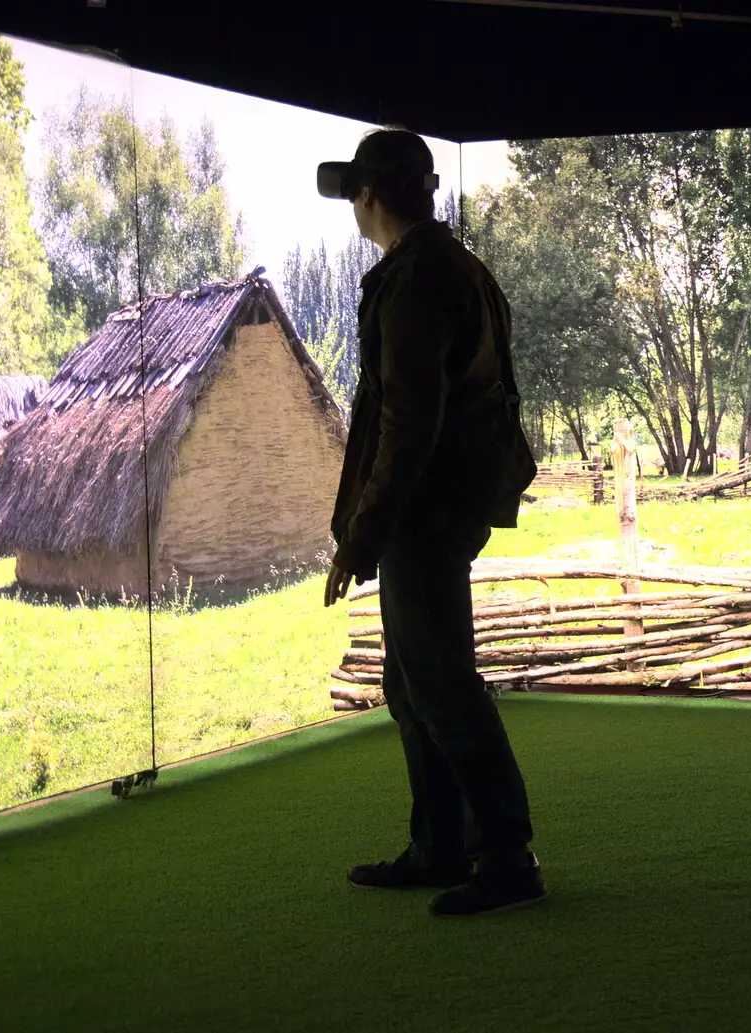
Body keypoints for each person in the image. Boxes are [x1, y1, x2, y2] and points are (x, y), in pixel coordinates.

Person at [319, 129, 544, 918]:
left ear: (369, 197)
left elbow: (407, 424)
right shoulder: (455, 268)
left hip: (427, 505)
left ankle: (506, 854)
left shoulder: (415, 281)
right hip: (447, 500)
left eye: (355, 192)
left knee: (440, 681)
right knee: (413, 680)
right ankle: (441, 845)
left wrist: (362, 532)